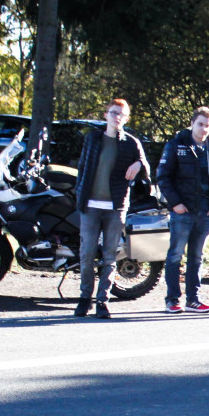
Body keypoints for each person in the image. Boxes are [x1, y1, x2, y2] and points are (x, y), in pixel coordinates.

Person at [72, 98, 150, 319]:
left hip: (115, 207)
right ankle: (84, 298)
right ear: (106, 114)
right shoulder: (93, 139)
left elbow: (146, 168)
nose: (117, 117)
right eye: (114, 112)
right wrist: (80, 195)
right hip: (90, 205)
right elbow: (82, 168)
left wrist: (139, 164)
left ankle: (102, 301)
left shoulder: (131, 143)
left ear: (126, 118)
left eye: (122, 114)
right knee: (86, 255)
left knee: (109, 256)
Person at [158, 107, 209, 314]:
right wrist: (175, 203)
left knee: (196, 257)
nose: (204, 129)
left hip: (205, 212)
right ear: (192, 123)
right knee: (175, 255)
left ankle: (193, 299)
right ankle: (172, 299)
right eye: (200, 124)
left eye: (208, 125)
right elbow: (163, 176)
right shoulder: (176, 144)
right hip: (182, 211)